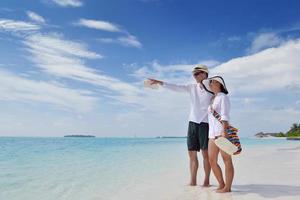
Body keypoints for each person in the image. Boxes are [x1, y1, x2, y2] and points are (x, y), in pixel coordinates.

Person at [149, 64, 213, 187]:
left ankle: (206, 181)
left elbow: (221, 98)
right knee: (191, 154)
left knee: (206, 155)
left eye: (197, 73)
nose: (195, 76)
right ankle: (193, 181)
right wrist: (160, 82)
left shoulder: (211, 86)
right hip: (192, 123)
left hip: (206, 124)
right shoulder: (192, 87)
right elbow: (176, 87)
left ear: (205, 73)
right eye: (194, 74)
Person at [202, 76, 234, 193]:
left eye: (213, 82)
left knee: (226, 160)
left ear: (220, 84)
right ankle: (221, 184)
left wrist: (224, 132)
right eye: (210, 82)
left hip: (221, 133)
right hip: (212, 134)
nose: (210, 84)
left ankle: (228, 187)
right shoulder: (212, 99)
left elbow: (225, 115)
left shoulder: (223, 97)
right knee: (212, 161)